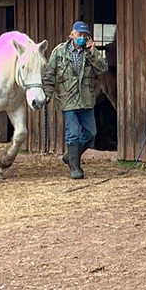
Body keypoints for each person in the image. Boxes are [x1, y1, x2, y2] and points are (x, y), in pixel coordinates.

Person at [43, 21, 108, 179]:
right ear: (72, 35)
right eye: (79, 35)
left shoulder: (90, 52)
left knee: (91, 133)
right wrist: (47, 93)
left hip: (86, 99)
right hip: (68, 99)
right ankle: (75, 168)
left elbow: (103, 69)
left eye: (85, 35)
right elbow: (49, 74)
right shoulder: (59, 52)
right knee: (72, 134)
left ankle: (70, 156)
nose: (82, 38)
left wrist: (93, 52)